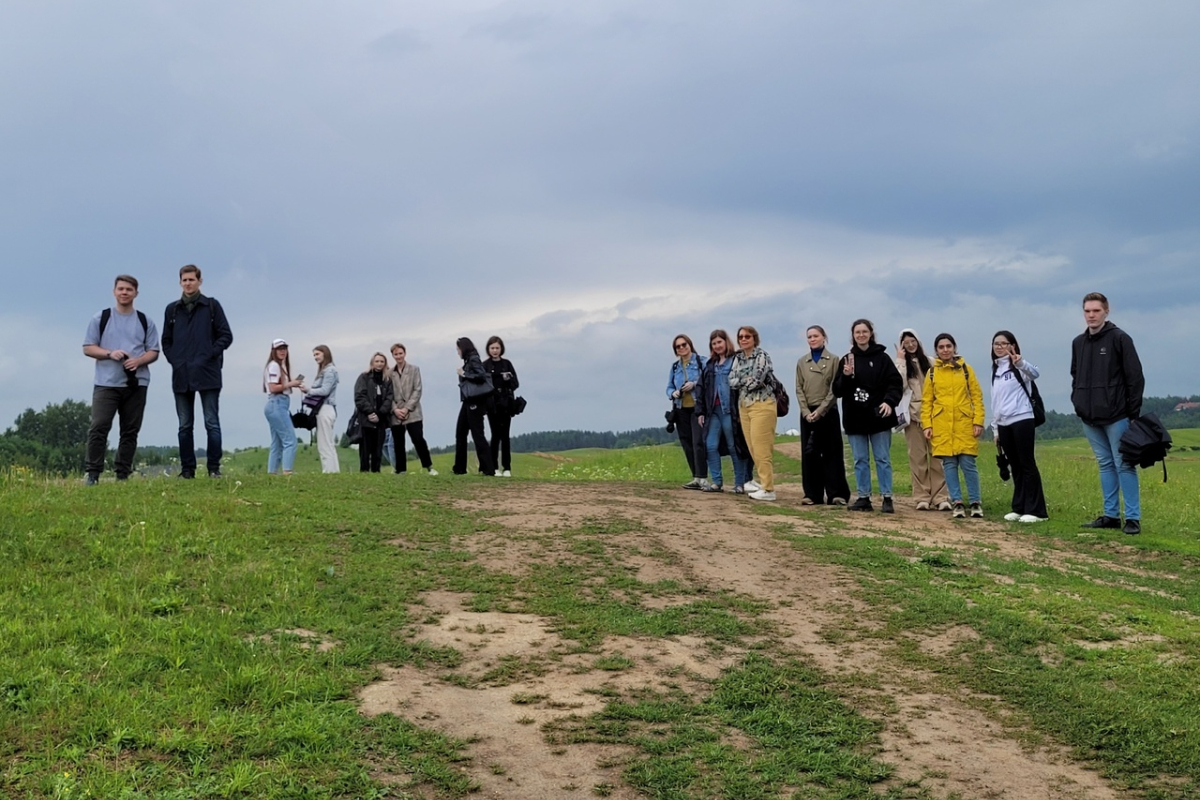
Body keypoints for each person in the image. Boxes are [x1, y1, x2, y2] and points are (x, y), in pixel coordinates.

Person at [1071, 292, 1145, 535]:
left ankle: (1132, 518)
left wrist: (1132, 414)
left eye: (1096, 311)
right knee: (1104, 464)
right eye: (1087, 311)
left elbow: (1135, 378)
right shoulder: (1078, 343)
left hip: (1117, 416)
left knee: (1124, 464)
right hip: (1090, 417)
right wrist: (1078, 403)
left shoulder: (1120, 339)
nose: (1091, 315)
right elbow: (1075, 375)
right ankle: (1111, 515)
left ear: (1106, 311)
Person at [81, 275, 161, 484]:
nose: (124, 293)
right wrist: (109, 353)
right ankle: (93, 473)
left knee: (130, 430)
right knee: (99, 427)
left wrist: (139, 361)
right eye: (121, 289)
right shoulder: (101, 318)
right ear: (114, 291)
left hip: (137, 382)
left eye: (129, 289)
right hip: (106, 383)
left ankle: (122, 474)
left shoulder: (145, 321)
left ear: (136, 293)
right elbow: (88, 347)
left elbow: (154, 350)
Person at [162, 264, 233, 478]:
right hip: (182, 375)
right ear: (180, 282)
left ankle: (214, 469)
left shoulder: (211, 306)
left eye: (192, 279)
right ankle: (187, 471)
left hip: (208, 373)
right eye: (184, 280)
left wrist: (209, 354)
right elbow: (166, 341)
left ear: (200, 281)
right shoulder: (172, 310)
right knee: (185, 425)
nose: (188, 283)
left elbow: (226, 336)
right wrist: (175, 360)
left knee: (211, 422)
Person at [833, 319, 903, 513]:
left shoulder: (882, 358)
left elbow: (895, 383)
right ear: (853, 335)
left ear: (871, 333)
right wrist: (846, 376)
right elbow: (837, 390)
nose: (861, 335)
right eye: (858, 332)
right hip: (855, 418)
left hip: (879, 417)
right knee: (860, 460)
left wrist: (889, 401)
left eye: (865, 331)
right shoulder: (847, 360)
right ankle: (864, 497)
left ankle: (887, 497)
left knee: (882, 459)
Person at [921, 333, 985, 518]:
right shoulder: (932, 373)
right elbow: (927, 402)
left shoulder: (966, 370)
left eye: (948, 346)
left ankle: (975, 502)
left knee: (968, 463)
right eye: (941, 347)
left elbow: (977, 397)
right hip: (942, 426)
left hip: (964, 424)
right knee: (949, 465)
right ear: (936, 351)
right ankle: (957, 502)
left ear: (954, 347)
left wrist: (978, 421)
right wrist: (927, 425)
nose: (945, 350)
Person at [990, 331, 1047, 522]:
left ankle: (1037, 510)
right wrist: (996, 429)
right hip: (1004, 423)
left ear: (1012, 345)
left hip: (1022, 418)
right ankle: (1020, 506)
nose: (999, 347)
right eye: (996, 344)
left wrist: (1020, 362)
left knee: (1027, 463)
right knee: (1015, 465)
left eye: (1003, 343)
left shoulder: (1019, 366)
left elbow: (1036, 373)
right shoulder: (996, 370)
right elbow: (996, 402)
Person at [895, 329, 950, 511]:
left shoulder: (931, 362)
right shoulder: (901, 364)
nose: (910, 345)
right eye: (906, 342)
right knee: (917, 459)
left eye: (913, 341)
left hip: (935, 417)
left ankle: (941, 497)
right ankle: (921, 497)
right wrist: (901, 361)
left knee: (938, 459)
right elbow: (899, 385)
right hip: (913, 418)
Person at [794, 325, 850, 505]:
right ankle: (812, 494)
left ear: (824, 337)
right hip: (808, 414)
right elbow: (799, 389)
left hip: (827, 412)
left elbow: (835, 388)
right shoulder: (802, 362)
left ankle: (836, 494)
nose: (812, 339)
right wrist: (806, 412)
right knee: (810, 454)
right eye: (809, 336)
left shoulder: (834, 360)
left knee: (832, 454)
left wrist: (821, 410)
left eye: (815, 336)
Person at [695, 329, 751, 493]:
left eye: (720, 342)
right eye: (714, 343)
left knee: (734, 447)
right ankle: (717, 482)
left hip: (731, 411)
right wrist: (700, 411)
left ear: (726, 342)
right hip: (713, 412)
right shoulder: (710, 365)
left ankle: (739, 484)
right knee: (710, 445)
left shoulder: (736, 360)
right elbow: (701, 388)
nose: (717, 345)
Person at [728, 326, 778, 502]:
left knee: (762, 447)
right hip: (744, 406)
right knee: (752, 447)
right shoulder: (738, 358)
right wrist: (745, 380)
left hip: (762, 404)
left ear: (754, 338)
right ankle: (764, 484)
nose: (743, 339)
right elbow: (731, 381)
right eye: (740, 336)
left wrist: (744, 381)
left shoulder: (762, 356)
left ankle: (768, 488)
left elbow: (757, 380)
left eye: (747, 336)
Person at [666, 334, 708, 489]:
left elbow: (708, 381)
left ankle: (703, 477)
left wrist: (694, 384)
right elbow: (669, 387)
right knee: (687, 443)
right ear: (675, 350)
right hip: (680, 408)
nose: (682, 348)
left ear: (690, 344)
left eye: (684, 344)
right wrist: (673, 393)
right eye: (678, 346)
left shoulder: (702, 361)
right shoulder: (675, 367)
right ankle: (695, 477)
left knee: (698, 442)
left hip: (698, 408)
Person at [389, 343, 437, 475]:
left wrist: (407, 408)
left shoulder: (414, 369)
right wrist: (395, 409)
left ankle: (428, 466)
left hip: (413, 411)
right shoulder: (389, 373)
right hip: (396, 413)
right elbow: (388, 394)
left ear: (405, 353)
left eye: (400, 353)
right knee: (398, 443)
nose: (398, 356)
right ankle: (401, 469)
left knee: (418, 439)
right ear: (392, 355)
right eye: (396, 354)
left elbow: (418, 389)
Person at [453, 337, 496, 476]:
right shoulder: (469, 359)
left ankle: (488, 468)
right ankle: (459, 468)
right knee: (461, 432)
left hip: (475, 402)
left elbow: (481, 376)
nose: (458, 352)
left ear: (463, 348)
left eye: (458, 349)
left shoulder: (473, 358)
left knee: (477, 434)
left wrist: (464, 374)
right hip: (468, 401)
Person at [263, 339, 301, 475]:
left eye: (284, 348)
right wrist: (291, 384)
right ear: (274, 350)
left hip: (275, 404)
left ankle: (272, 472)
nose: (282, 351)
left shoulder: (278, 366)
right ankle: (287, 471)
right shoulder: (274, 366)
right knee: (290, 440)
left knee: (277, 443)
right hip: (278, 403)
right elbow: (273, 387)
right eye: (279, 349)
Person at [483, 336, 519, 477]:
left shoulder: (507, 364)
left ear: (501, 349)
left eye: (497, 348)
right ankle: (494, 467)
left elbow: (516, 384)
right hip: (492, 405)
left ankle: (507, 467)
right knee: (495, 435)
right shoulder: (485, 365)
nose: (495, 351)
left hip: (506, 404)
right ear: (488, 349)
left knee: (505, 436)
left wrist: (508, 379)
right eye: (492, 348)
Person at [301, 345, 340, 473]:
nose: (315, 357)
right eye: (314, 355)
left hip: (325, 408)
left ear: (325, 354)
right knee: (328, 442)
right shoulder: (328, 370)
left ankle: (328, 471)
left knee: (324, 444)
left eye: (317, 354)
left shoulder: (329, 370)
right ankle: (333, 471)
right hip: (327, 408)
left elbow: (325, 390)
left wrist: (308, 390)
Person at [354, 353, 393, 473]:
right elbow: (359, 396)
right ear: (372, 363)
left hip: (381, 419)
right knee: (365, 449)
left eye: (382, 361)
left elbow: (389, 398)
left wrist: (380, 413)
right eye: (377, 361)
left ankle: (376, 471)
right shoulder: (364, 377)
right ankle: (364, 471)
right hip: (366, 419)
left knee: (378, 448)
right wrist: (370, 412)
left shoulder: (387, 380)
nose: (379, 364)